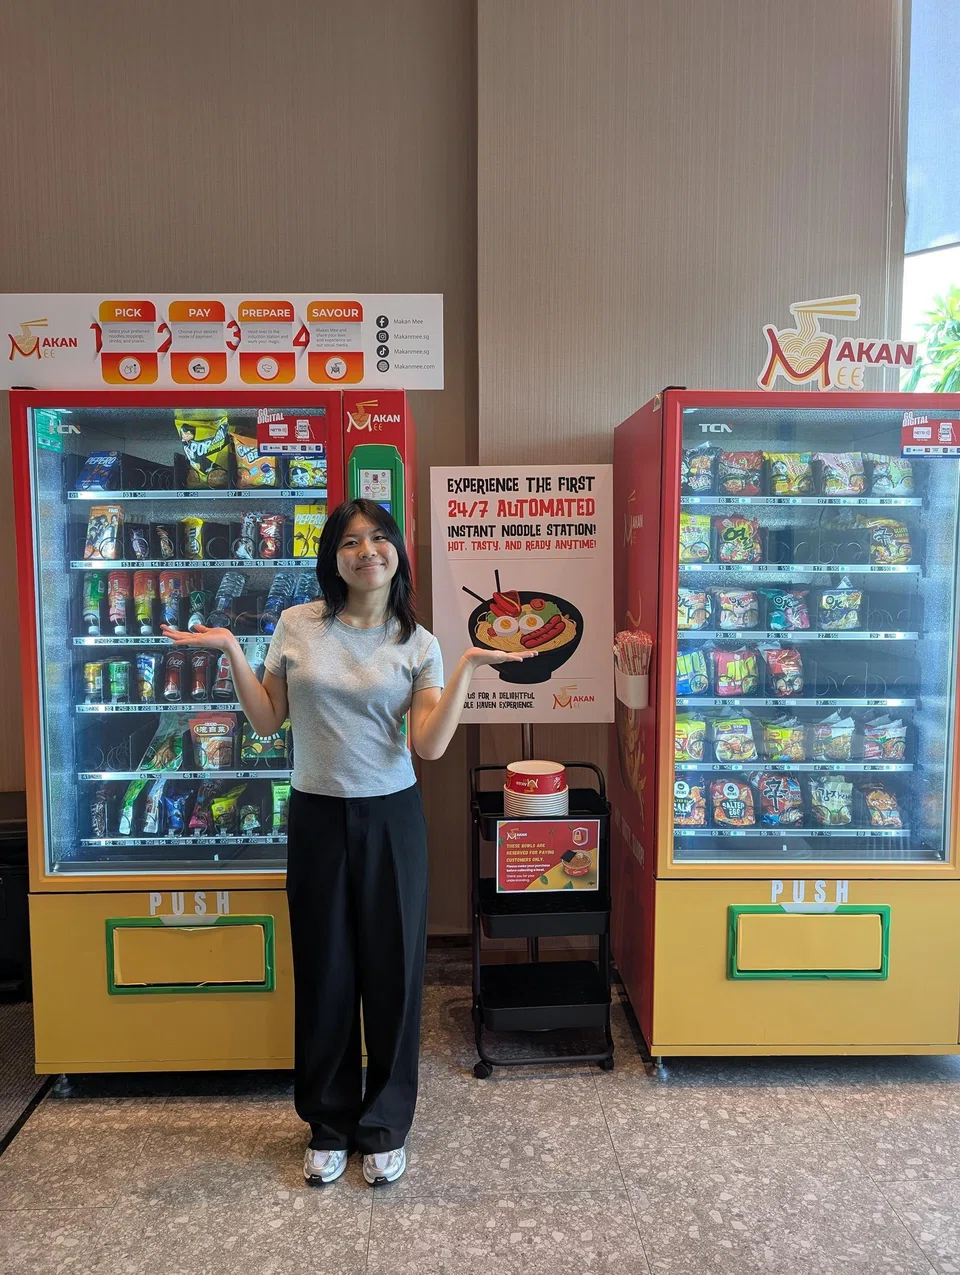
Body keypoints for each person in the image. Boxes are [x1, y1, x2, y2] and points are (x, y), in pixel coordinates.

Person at [162, 499, 532, 1187]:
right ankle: (328, 1123)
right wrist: (233, 652)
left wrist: (470, 671)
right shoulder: (299, 624)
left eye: (379, 538)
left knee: (393, 975)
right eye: (352, 541)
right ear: (333, 556)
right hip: (317, 816)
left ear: (397, 553)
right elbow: (269, 719)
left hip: (392, 818)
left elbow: (429, 741)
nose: (368, 550)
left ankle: (385, 1123)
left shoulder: (418, 642)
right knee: (327, 972)